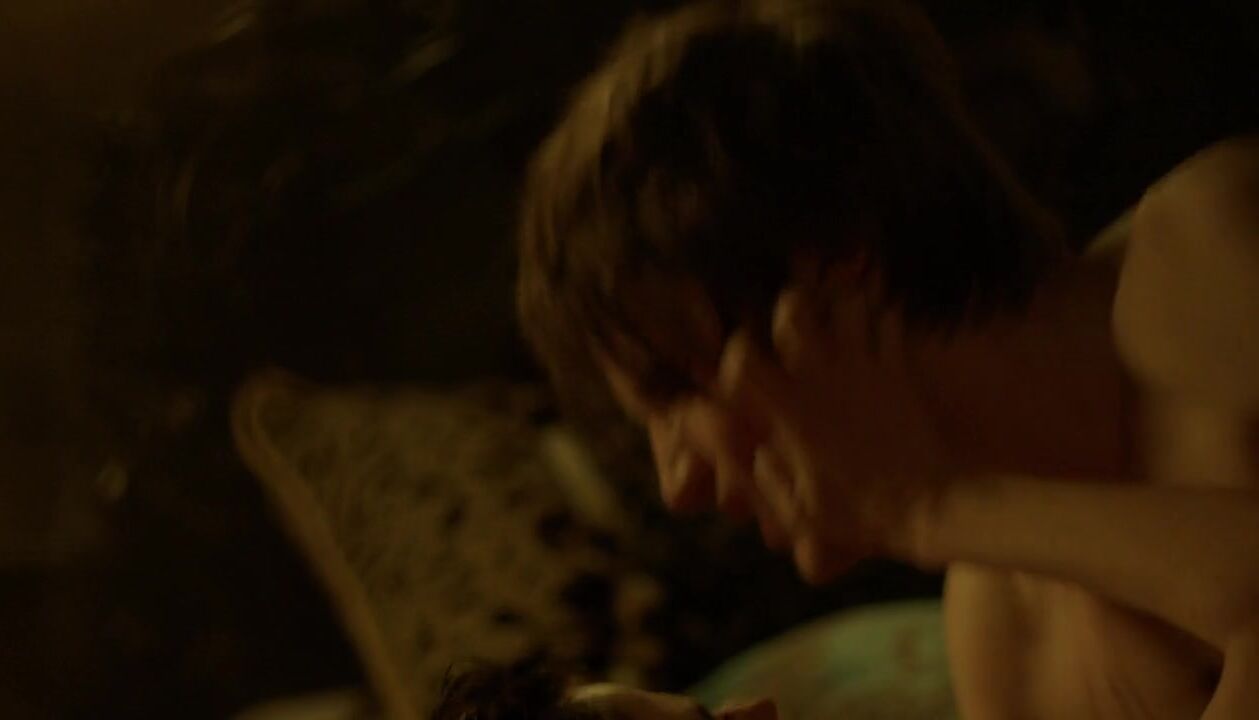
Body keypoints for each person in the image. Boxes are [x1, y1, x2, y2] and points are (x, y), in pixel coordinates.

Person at [515, 0, 1259, 717]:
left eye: (674, 390)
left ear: (834, 274)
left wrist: (924, 506)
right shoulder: (1005, 634)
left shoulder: (1218, 250)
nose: (678, 482)